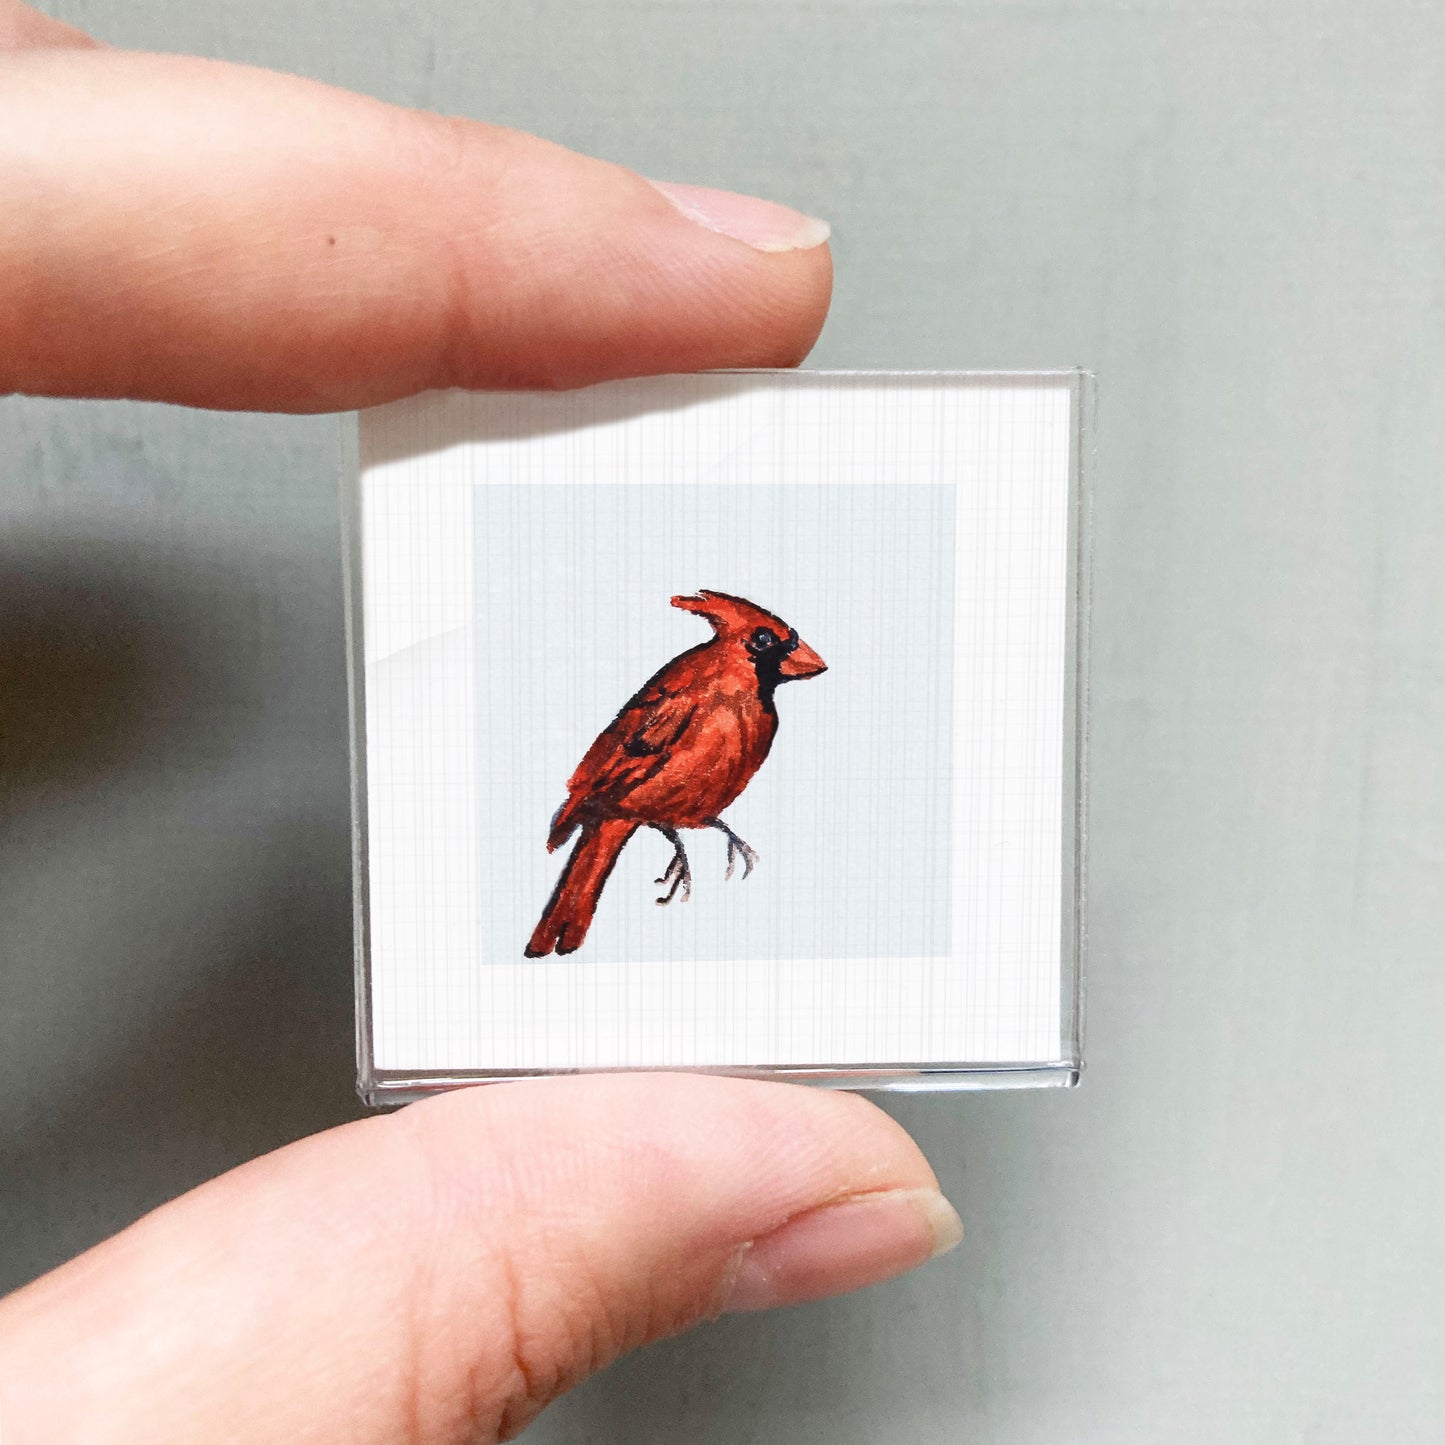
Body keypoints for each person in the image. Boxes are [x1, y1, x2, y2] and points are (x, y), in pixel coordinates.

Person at [0, 4, 962, 1439]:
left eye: (777, 645)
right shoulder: (692, 692)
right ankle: (586, 897)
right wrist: (604, 820)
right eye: (771, 646)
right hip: (619, 823)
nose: (788, 660)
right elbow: (628, 763)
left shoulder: (740, 700)